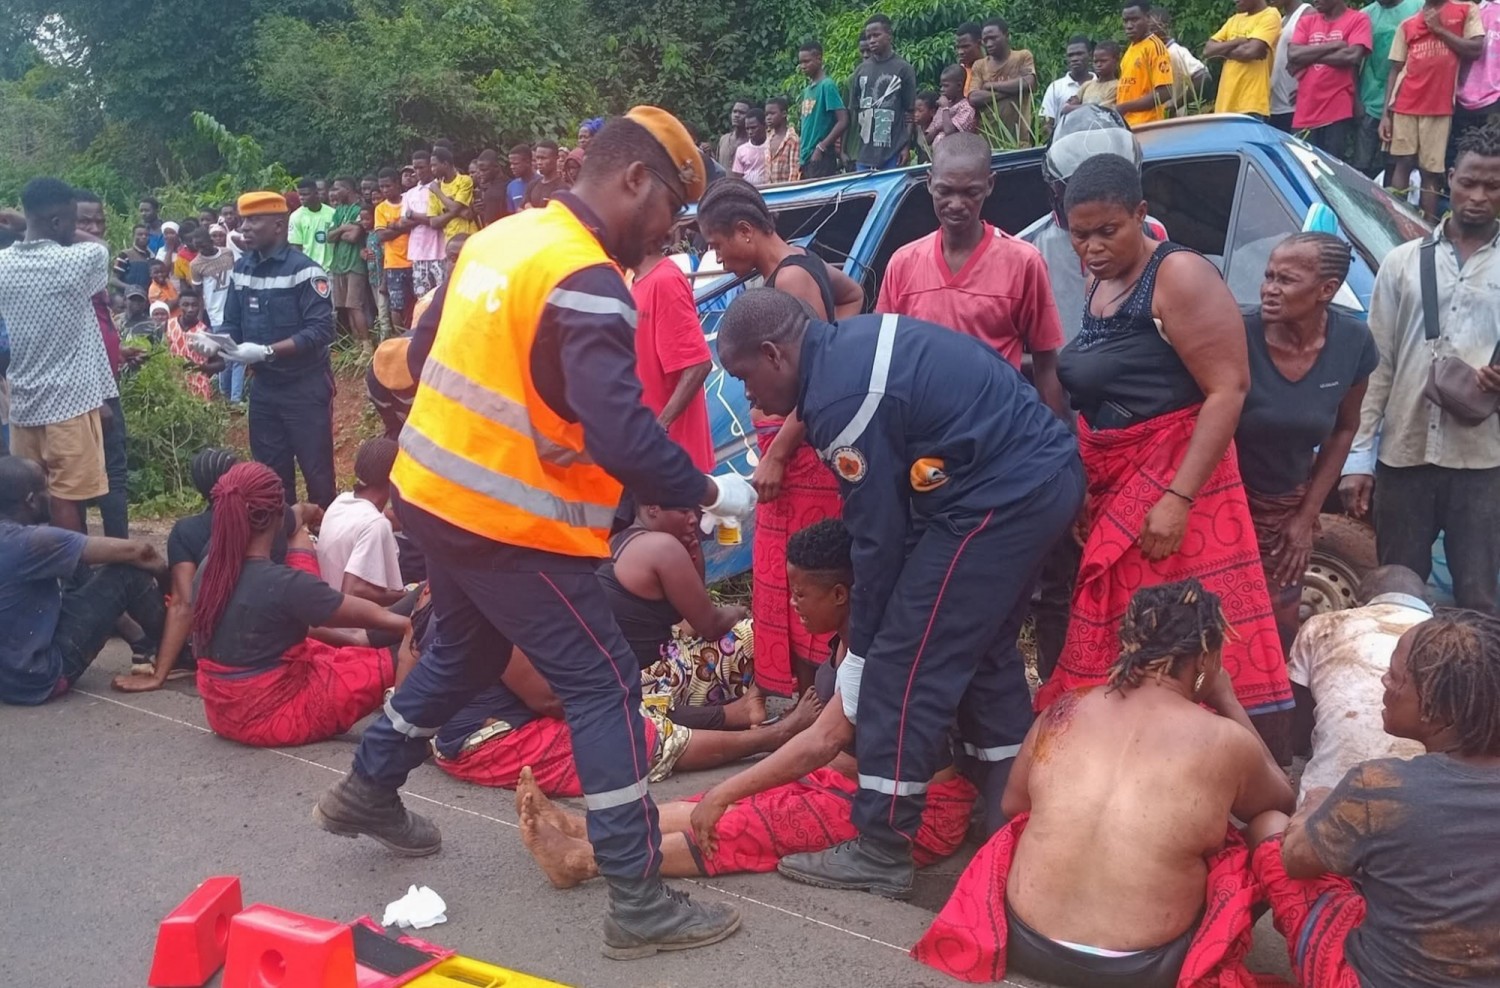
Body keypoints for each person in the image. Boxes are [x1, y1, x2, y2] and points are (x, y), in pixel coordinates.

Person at [313, 108, 757, 959]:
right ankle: (638, 900)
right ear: (633, 181)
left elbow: (426, 345)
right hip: (508, 522)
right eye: (669, 209)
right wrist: (707, 489)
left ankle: (367, 789)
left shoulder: (502, 238)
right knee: (603, 685)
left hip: (429, 496)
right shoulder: (587, 278)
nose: (666, 234)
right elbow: (624, 433)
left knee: (466, 655)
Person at [715, 286, 1082, 895]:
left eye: (744, 377)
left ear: (774, 353)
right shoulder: (844, 354)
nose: (746, 394)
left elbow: (877, 538)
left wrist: (863, 648)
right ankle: (1009, 821)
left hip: (999, 497)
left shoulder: (842, 399)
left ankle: (883, 846)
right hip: (1032, 481)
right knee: (985, 653)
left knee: (903, 665)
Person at [519, 518, 976, 889]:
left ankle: (585, 860)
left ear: (840, 594)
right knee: (713, 805)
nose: (792, 604)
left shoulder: (878, 649)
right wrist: (725, 795)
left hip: (915, 812)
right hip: (840, 784)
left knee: (738, 822)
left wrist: (726, 792)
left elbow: (821, 740)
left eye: (801, 594)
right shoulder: (852, 634)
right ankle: (585, 830)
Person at [914, 580, 1295, 987]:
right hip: (1146, 967)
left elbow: (1012, 807)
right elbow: (1282, 801)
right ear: (1207, 658)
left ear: (1128, 644)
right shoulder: (1226, 740)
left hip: (1025, 939)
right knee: (1269, 824)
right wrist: (1228, 701)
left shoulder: (1067, 707)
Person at [1038, 154, 1294, 759]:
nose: (1093, 247)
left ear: (1141, 214)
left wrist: (1177, 499)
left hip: (1175, 481)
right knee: (1128, 626)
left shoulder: (1178, 274)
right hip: (1114, 477)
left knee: (1178, 632)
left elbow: (1227, 388)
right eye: (1080, 234)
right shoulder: (1100, 282)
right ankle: (1124, 756)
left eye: (1108, 231)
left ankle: (1205, 763)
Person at [1251, 607, 1500, 987]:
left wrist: (1313, 807)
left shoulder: (1381, 787)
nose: (1384, 681)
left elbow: (1296, 861)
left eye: (1397, 677)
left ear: (1434, 704)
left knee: (1271, 831)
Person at [694, 179, 864, 698]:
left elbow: (814, 376)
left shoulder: (790, 281)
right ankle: (806, 704)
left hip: (799, 455)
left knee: (797, 578)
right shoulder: (800, 261)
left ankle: (814, 705)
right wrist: (841, 335)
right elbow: (853, 295)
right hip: (792, 446)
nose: (718, 257)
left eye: (720, 244)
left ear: (746, 230)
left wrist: (781, 452)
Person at [1341, 123, 1500, 614]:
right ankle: (1395, 687)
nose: (1477, 196)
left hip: (1484, 461)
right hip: (1404, 455)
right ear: (1448, 178)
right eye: (1468, 182)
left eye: (1492, 185)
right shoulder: (1402, 262)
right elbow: (1377, 364)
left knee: (1479, 599)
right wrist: (1358, 458)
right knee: (1396, 592)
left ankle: (1472, 690)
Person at [190, 461, 412, 747]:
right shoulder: (284, 585)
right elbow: (380, 618)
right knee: (408, 639)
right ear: (276, 515)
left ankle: (367, 643)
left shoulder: (208, 568)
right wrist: (410, 624)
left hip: (223, 713)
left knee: (352, 638)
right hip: (275, 715)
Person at [1238, 234, 1378, 650]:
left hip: (1286, 506)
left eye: (1286, 279)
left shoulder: (1353, 343)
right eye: (1268, 276)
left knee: (1277, 631)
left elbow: (1343, 429)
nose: (1269, 289)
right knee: (1214, 624)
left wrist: (1305, 516)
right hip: (1223, 501)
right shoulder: (1236, 334)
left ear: (1326, 290)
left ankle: (1264, 715)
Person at [875, 134, 1068, 418]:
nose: (956, 204)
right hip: (922, 432)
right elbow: (885, 359)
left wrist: (1059, 437)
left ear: (989, 185)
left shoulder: (1023, 262)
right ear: (929, 183)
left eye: (970, 193)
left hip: (997, 429)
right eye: (945, 191)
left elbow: (1045, 364)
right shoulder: (903, 263)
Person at [111, 448, 309, 693]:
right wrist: (321, 514)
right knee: (297, 538)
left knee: (142, 579)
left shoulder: (186, 531)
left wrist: (159, 676)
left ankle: (164, 652)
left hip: (218, 646)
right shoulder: (270, 516)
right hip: (271, 634)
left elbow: (184, 604)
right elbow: (302, 512)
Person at [194, 191, 338, 508]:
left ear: (278, 225)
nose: (244, 226)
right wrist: (216, 345)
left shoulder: (306, 271)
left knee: (318, 476)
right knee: (271, 479)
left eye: (254, 219)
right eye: (243, 219)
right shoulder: (243, 270)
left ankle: (326, 544)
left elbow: (321, 330)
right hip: (264, 389)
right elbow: (232, 322)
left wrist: (266, 352)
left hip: (305, 387)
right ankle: (280, 550)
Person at [0, 455, 167, 705]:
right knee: (125, 573)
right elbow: (142, 552)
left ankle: (142, 642)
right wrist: (174, 591)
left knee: (78, 563)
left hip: (8, 676)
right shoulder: (32, 543)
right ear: (31, 501)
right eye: (46, 487)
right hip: (39, 677)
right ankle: (180, 652)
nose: (52, 495)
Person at [0, 178, 117, 535]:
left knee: (29, 494)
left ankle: (39, 573)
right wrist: (23, 222)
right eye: (70, 220)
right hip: (71, 404)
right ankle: (74, 575)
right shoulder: (79, 262)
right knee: (67, 498)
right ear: (56, 222)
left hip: (23, 404)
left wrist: (27, 226)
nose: (76, 228)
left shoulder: (2, 266)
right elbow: (99, 245)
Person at [1288, 564, 1430, 804]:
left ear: (1356, 603)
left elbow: (1299, 717)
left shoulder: (1320, 626)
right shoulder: (1449, 643)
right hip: (1417, 809)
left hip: (1323, 806)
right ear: (1432, 607)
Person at [1380, 0, 1486, 221]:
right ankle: (1395, 221)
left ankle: (1428, 226)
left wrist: (1439, 30)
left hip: (1439, 106)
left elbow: (1475, 49)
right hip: (1404, 104)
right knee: (1403, 163)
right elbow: (1396, 70)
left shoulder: (1465, 10)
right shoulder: (1408, 23)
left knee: (1432, 171)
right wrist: (1385, 115)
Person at [629, 243, 715, 473]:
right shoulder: (637, 282)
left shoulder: (664, 281)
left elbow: (698, 364)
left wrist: (659, 427)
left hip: (673, 463)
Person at [316, 437, 405, 606]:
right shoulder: (376, 525)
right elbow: (353, 591)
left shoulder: (341, 502)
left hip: (329, 612)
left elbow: (380, 517)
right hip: (356, 627)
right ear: (394, 479)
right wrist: (408, 595)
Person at [1289, 0, 1374, 155]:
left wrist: (1310, 56)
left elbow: (1352, 55)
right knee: (1302, 170)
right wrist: (1334, 46)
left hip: (1336, 111)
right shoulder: (1306, 21)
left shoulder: (1358, 19)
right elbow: (1293, 54)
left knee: (1330, 170)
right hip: (1304, 112)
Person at [1354, 0, 1422, 174]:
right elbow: (1354, 63)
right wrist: (1356, 100)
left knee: (1396, 165)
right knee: (1362, 165)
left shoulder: (1418, 7)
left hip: (1405, 102)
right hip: (1369, 100)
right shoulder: (1365, 15)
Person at [852, 15, 918, 170]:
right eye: (869, 37)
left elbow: (909, 113)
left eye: (876, 35)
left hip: (893, 153)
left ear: (889, 35)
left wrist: (905, 146)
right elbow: (854, 112)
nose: (872, 40)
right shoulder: (861, 71)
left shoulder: (904, 69)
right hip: (864, 155)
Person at [1206, 0, 1285, 117]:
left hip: (1251, 104)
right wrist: (1237, 42)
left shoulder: (1270, 15)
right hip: (1224, 105)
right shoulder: (1234, 20)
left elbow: (1250, 51)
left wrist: (1223, 52)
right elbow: (1208, 50)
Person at [968, 18, 1039, 146]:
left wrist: (990, 86)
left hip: (1019, 141)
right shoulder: (979, 65)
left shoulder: (1022, 57)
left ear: (1006, 35)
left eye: (993, 38)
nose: (989, 43)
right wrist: (1014, 89)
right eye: (985, 40)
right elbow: (973, 98)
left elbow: (1029, 83)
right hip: (988, 142)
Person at [326, 177, 373, 352]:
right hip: (338, 264)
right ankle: (357, 344)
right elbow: (329, 237)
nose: (334, 193)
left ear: (347, 189)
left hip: (355, 264)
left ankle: (367, 345)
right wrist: (343, 228)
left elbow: (353, 237)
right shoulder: (339, 211)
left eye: (337, 189)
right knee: (346, 307)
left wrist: (341, 231)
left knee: (355, 305)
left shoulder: (360, 209)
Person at [798, 41, 850, 180]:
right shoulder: (807, 90)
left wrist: (821, 147)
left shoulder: (827, 86)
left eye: (807, 61)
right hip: (806, 157)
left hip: (821, 157)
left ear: (819, 59)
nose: (803, 66)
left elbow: (843, 121)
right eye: (801, 62)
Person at [1119, 3, 1177, 124]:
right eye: (1126, 21)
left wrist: (1124, 107)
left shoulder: (1155, 47)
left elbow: (1165, 92)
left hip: (1147, 125)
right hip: (1128, 125)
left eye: (1134, 19)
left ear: (1148, 18)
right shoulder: (1130, 49)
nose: (1129, 26)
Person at [374, 168, 414, 333]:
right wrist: (404, 227)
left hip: (414, 259)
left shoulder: (410, 200)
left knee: (416, 301)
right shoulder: (380, 209)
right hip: (393, 264)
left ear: (397, 184)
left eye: (388, 186)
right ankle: (400, 338)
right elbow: (382, 236)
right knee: (396, 305)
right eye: (382, 187)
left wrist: (394, 227)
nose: (384, 190)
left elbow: (417, 222)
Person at [402, 151, 445, 297]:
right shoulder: (410, 193)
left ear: (430, 166)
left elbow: (438, 220)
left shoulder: (439, 188)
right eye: (416, 168)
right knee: (422, 298)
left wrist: (413, 215)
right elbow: (403, 222)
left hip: (440, 252)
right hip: (418, 253)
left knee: (442, 296)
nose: (418, 172)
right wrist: (427, 218)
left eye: (422, 167)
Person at [1153, 8, 1212, 110]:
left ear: (1165, 27)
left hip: (1169, 121)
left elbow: (1203, 78)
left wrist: (1176, 105)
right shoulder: (1151, 53)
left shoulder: (1175, 52)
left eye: (1152, 28)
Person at [165, 289, 215, 402]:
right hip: (173, 385)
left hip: (199, 388)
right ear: (179, 305)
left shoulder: (206, 331)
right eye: (186, 305)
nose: (190, 309)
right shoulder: (168, 325)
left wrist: (198, 367)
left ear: (200, 306)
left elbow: (220, 364)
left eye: (194, 305)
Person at [1042, 37, 1097, 138]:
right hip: (1065, 147)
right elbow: (1046, 125)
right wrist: (1056, 141)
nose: (1074, 58)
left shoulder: (1102, 84)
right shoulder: (1056, 87)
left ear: (1090, 55)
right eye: (1070, 55)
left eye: (1079, 54)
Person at [1272, 1, 1316, 128]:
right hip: (1275, 102)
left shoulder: (1308, 13)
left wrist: (1307, 88)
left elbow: (1318, 55)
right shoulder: (1282, 19)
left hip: (1293, 103)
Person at [427, 146, 479, 244]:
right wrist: (459, 212)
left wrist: (438, 192)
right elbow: (433, 222)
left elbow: (455, 208)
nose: (432, 169)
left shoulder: (464, 180)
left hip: (469, 237)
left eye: (434, 165)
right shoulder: (434, 187)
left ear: (445, 164)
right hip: (450, 241)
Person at [288, 178, 336, 269]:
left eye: (305, 194)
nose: (301, 197)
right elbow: (296, 247)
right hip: (308, 269)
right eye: (300, 194)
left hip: (330, 269)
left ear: (316, 193)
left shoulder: (332, 213)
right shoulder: (296, 216)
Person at [932, 64, 980, 143]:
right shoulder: (942, 107)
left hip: (957, 153)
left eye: (946, 86)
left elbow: (950, 133)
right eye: (941, 86)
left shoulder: (967, 108)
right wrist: (938, 128)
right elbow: (927, 138)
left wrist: (945, 108)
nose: (941, 89)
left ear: (959, 86)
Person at [763, 97, 801, 185]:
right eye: (767, 114)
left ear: (784, 114)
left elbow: (794, 173)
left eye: (772, 114)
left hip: (785, 192)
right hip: (770, 192)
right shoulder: (768, 138)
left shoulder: (792, 139)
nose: (768, 117)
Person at [730, 108, 770, 186]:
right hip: (749, 193)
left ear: (764, 126)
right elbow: (737, 179)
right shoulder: (741, 150)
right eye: (747, 129)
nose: (750, 132)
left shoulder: (771, 146)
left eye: (754, 128)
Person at [472, 149, 511, 227]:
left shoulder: (492, 193)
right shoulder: (511, 183)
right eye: (479, 170)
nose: (480, 173)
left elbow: (489, 224)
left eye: (484, 170)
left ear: (496, 167)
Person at [523, 140, 566, 209]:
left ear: (556, 158)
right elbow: (522, 207)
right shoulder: (533, 184)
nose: (539, 162)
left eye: (543, 158)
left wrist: (532, 212)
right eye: (537, 158)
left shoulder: (563, 188)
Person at [114, 225, 155, 291]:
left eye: (146, 235)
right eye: (140, 234)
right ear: (133, 236)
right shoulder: (125, 255)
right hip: (127, 297)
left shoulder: (152, 257)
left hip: (147, 297)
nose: (144, 237)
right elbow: (113, 280)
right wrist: (132, 288)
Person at [716, 100, 751, 172]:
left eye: (742, 113)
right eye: (734, 111)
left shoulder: (752, 142)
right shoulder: (723, 139)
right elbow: (718, 166)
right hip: (724, 182)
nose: (737, 115)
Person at [955, 22, 985, 93]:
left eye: (965, 46)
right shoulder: (957, 73)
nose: (960, 52)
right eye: (957, 47)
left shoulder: (991, 69)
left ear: (979, 43)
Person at [506, 144, 536, 211]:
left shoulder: (542, 182)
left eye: (516, 164)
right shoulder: (511, 186)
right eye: (511, 164)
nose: (512, 167)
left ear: (528, 162)